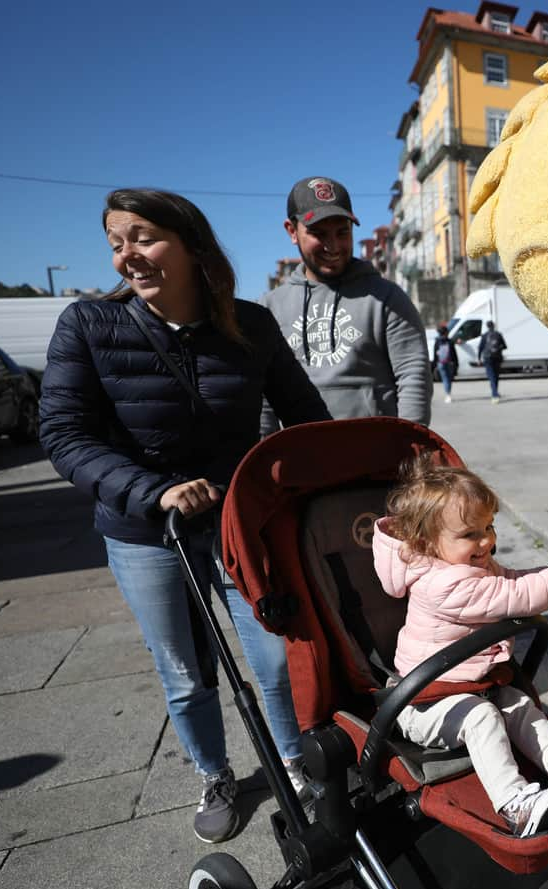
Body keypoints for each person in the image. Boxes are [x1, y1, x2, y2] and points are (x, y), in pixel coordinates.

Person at [39, 188, 332, 845]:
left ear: (192, 245)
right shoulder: (89, 325)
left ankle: (296, 762)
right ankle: (216, 773)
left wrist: (318, 484)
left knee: (278, 656)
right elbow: (62, 433)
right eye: (116, 243)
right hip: (145, 531)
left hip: (236, 521)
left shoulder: (250, 326)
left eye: (141, 237)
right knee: (184, 670)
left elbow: (306, 418)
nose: (126, 256)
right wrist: (152, 491)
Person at [371, 457, 548, 837]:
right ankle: (514, 805)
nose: (487, 540)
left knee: (516, 703)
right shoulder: (444, 585)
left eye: (489, 527)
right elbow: (515, 595)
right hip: (421, 702)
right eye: (471, 534)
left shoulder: (472, 565)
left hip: (467, 687)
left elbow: (516, 580)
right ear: (426, 542)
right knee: (483, 718)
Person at [260, 176, 432, 431]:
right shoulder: (270, 308)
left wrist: (407, 446)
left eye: (342, 232)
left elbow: (413, 375)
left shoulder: (386, 298)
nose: (333, 246)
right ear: (291, 231)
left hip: (377, 453)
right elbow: (263, 395)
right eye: (318, 233)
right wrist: (267, 458)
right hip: (303, 457)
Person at [478, 320, 507, 403]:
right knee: (496, 377)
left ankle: (494, 395)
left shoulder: (484, 336)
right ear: (493, 326)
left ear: (487, 326)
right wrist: (498, 348)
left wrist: (479, 358)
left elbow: (480, 348)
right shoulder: (498, 334)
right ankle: (495, 392)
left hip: (487, 358)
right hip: (497, 358)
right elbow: (505, 346)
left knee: (491, 376)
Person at [432, 323, 458, 403]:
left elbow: (435, 353)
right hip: (450, 362)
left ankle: (448, 394)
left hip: (441, 362)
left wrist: (435, 364)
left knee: (445, 378)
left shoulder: (437, 341)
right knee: (449, 379)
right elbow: (454, 353)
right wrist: (456, 363)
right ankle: (448, 393)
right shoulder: (450, 341)